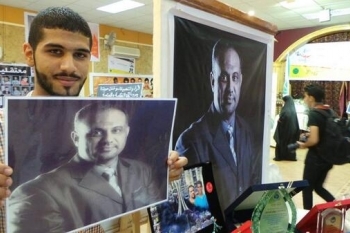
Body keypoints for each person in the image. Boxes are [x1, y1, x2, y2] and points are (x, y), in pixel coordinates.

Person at [0, 6, 187, 233]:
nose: (69, 66)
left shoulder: (136, 167)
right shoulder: (4, 131)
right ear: (29, 53)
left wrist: (164, 173)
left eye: (80, 55)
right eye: (55, 51)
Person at [8, 102, 163, 232]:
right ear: (76, 138)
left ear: (127, 132)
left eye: (116, 130)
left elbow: (156, 216)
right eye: (96, 132)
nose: (108, 140)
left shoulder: (141, 170)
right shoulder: (36, 192)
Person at [175, 39, 259, 212]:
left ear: (241, 81)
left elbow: (251, 181)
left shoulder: (245, 131)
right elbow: (191, 210)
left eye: (234, 78)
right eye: (223, 78)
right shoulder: (191, 140)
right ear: (213, 81)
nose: (230, 88)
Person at [296, 84, 335, 210]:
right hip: (328, 158)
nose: (304, 99)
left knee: (306, 188)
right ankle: (337, 206)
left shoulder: (314, 114)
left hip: (315, 160)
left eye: (305, 96)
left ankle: (307, 219)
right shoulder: (329, 111)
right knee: (318, 187)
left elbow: (314, 140)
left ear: (311, 98)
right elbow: (324, 133)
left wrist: (303, 144)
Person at [273, 95, 300, 161]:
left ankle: (280, 157)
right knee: (290, 143)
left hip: (284, 130)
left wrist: (279, 121)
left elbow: (282, 119)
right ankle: (290, 157)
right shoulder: (293, 109)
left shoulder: (285, 109)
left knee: (281, 142)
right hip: (292, 130)